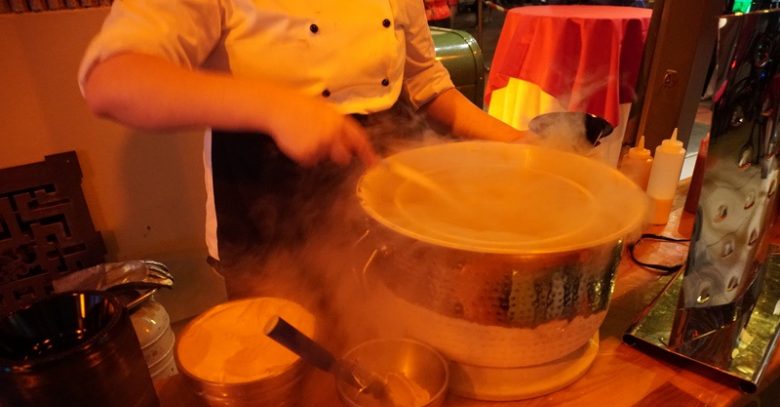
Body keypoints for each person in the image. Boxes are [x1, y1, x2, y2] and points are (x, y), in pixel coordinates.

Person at [79, 0, 526, 299]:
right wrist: (276, 108)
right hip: (270, 214)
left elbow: (427, 84)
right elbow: (112, 80)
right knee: (294, 380)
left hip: (393, 206)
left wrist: (519, 144)